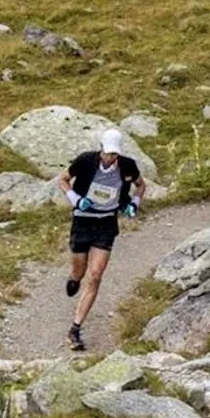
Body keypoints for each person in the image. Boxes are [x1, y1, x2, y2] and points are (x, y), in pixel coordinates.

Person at [57, 129, 144, 351]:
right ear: (101, 149)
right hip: (82, 221)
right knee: (80, 271)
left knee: (95, 276)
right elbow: (63, 180)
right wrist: (76, 199)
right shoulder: (86, 161)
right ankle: (74, 278)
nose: (110, 158)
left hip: (106, 224)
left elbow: (141, 185)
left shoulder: (127, 165)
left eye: (114, 154)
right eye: (107, 153)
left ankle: (75, 329)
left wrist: (133, 203)